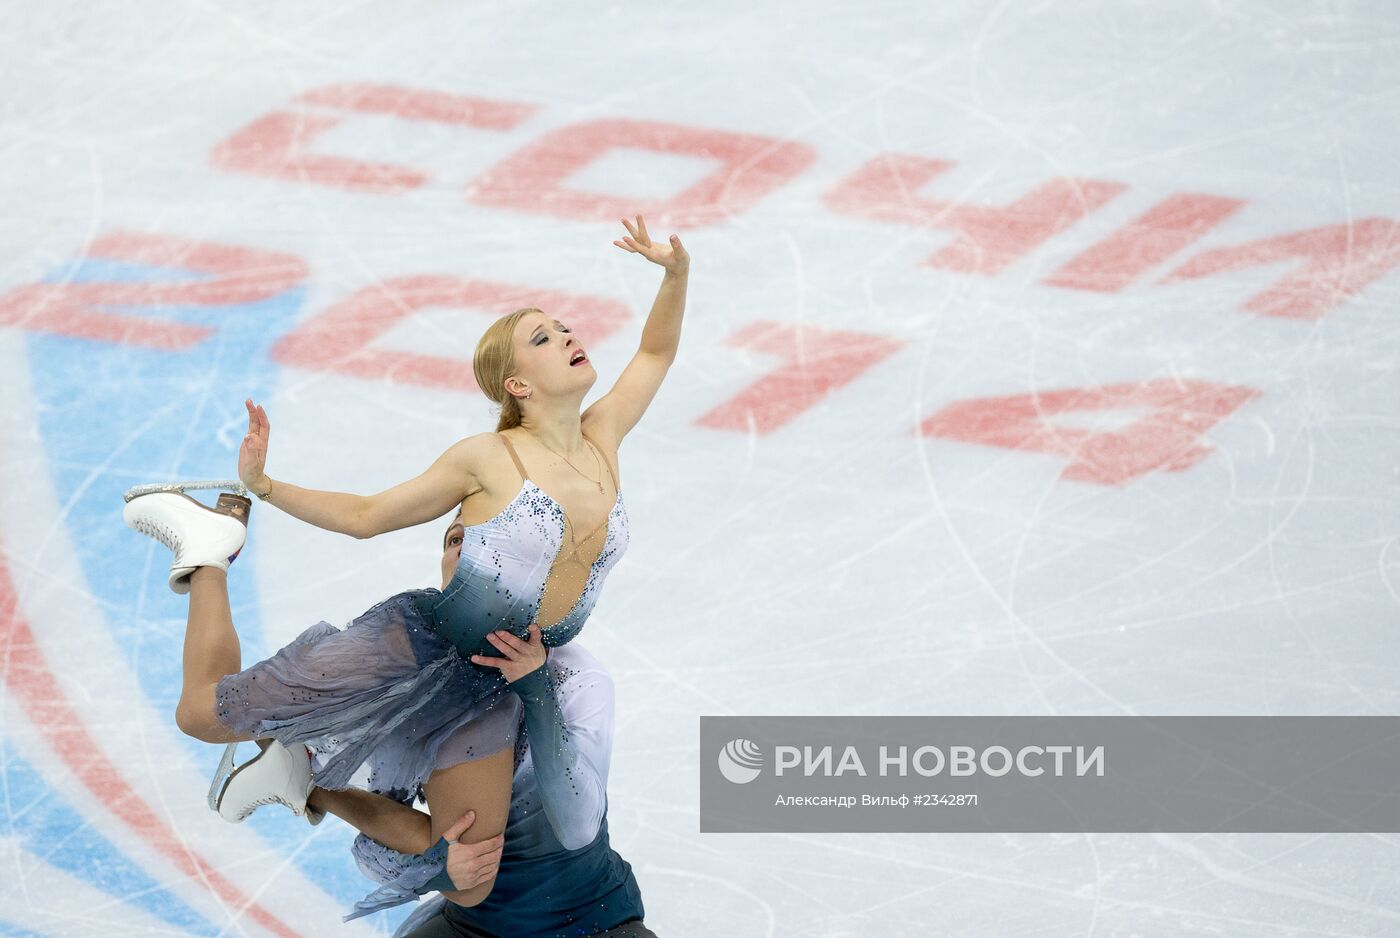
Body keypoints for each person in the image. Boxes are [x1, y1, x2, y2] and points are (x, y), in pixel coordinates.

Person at [121, 215, 689, 914]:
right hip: (418, 647)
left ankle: (303, 779)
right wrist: (267, 489)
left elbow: (656, 354)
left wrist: (673, 274)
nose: (568, 336)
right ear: (516, 384)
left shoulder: (604, 436)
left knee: (471, 878)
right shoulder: (487, 459)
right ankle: (209, 550)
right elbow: (367, 516)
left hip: (497, 682)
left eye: (562, 327)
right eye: (543, 337)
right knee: (202, 715)